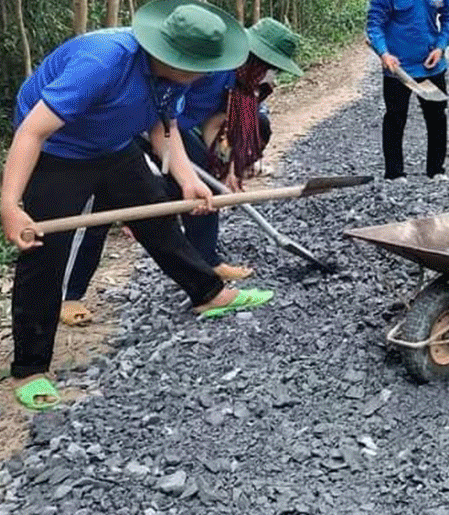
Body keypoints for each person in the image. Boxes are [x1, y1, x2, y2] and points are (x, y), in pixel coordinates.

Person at [0, 0, 274, 411]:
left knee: (158, 218)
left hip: (113, 145)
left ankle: (208, 293)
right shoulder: (103, 63)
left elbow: (164, 128)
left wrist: (187, 181)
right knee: (46, 250)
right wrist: (10, 204)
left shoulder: (177, 77)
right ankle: (30, 367)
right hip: (60, 151)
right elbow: (31, 133)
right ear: (171, 54)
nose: (208, 75)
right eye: (201, 66)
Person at [58, 17, 303, 324]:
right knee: (100, 207)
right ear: (254, 56)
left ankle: (205, 263)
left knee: (206, 190)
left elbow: (218, 122)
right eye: (269, 66)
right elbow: (165, 104)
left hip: (175, 134)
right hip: (139, 128)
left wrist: (226, 169)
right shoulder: (210, 68)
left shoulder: (244, 83)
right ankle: (69, 294)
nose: (271, 75)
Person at [367, 0, 449, 181]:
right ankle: (395, 174)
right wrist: (384, 53)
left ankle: (436, 171)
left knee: (437, 118)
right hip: (398, 69)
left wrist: (440, 47)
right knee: (395, 119)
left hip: (431, 66)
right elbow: (374, 24)